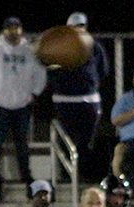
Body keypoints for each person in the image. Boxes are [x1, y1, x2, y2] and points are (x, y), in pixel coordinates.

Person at [0, 17, 47, 186]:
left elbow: (41, 74)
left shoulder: (30, 52)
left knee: (22, 142)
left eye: (16, 28)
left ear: (21, 30)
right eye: (9, 28)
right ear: (4, 31)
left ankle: (26, 176)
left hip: (23, 105)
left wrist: (34, 94)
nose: (13, 32)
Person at [47, 12, 110, 181]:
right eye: (74, 27)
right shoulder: (59, 47)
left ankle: (82, 174)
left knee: (85, 141)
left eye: (81, 26)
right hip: (64, 100)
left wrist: (88, 85)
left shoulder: (95, 47)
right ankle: (67, 176)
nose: (78, 30)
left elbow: (103, 71)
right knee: (66, 140)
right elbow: (51, 71)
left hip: (88, 100)